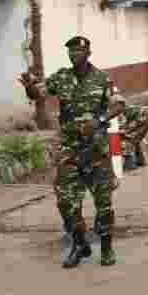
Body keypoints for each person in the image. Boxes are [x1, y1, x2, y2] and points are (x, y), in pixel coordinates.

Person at [18, 36, 130, 267]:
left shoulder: (101, 79)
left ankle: (107, 248)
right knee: (66, 201)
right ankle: (80, 244)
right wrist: (30, 87)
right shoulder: (61, 77)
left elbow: (119, 105)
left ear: (88, 53)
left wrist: (99, 120)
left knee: (103, 202)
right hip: (70, 150)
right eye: (71, 52)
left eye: (79, 51)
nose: (74, 55)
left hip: (96, 150)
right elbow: (38, 94)